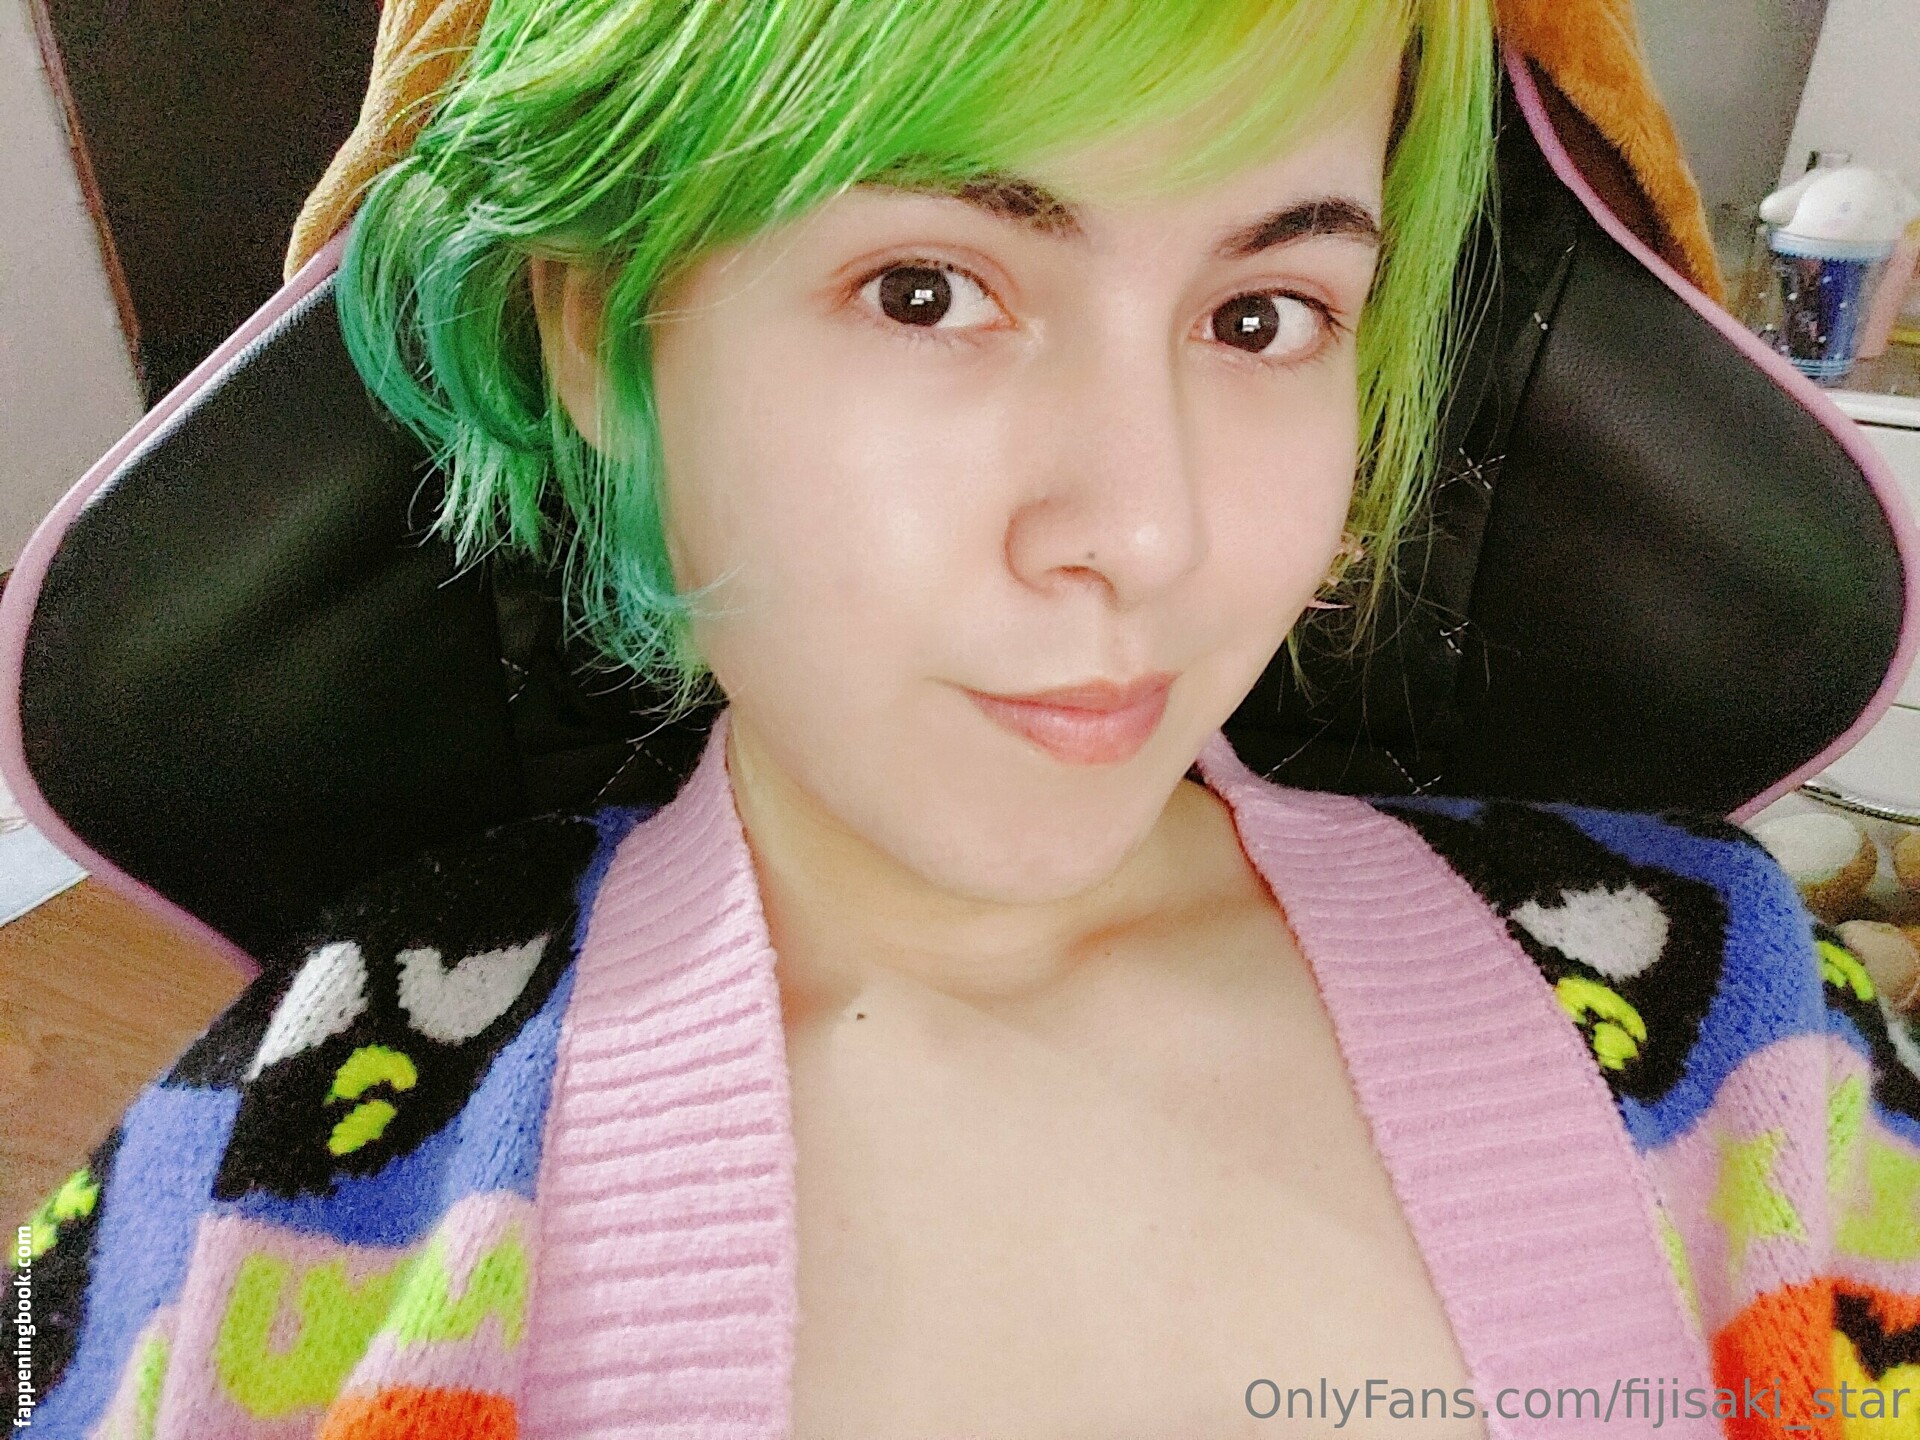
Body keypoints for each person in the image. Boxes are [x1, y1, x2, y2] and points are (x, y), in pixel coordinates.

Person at [13, 1, 1918, 1436]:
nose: (1146, 531)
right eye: (926, 289)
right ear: (598, 336)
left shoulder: (1742, 1036)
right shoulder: (306, 1161)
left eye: (1264, 314)